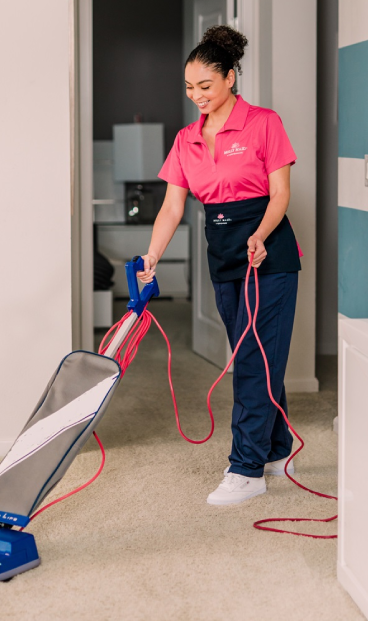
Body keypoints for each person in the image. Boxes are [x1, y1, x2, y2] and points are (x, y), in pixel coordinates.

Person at [137, 25, 301, 505]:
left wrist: (260, 235)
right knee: (254, 353)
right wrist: (152, 255)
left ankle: (247, 468)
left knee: (253, 358)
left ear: (231, 77)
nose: (196, 96)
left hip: (268, 249)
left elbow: (281, 194)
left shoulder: (263, 123)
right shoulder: (187, 139)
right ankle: (276, 449)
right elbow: (172, 208)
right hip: (222, 249)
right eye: (189, 88)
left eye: (205, 85)